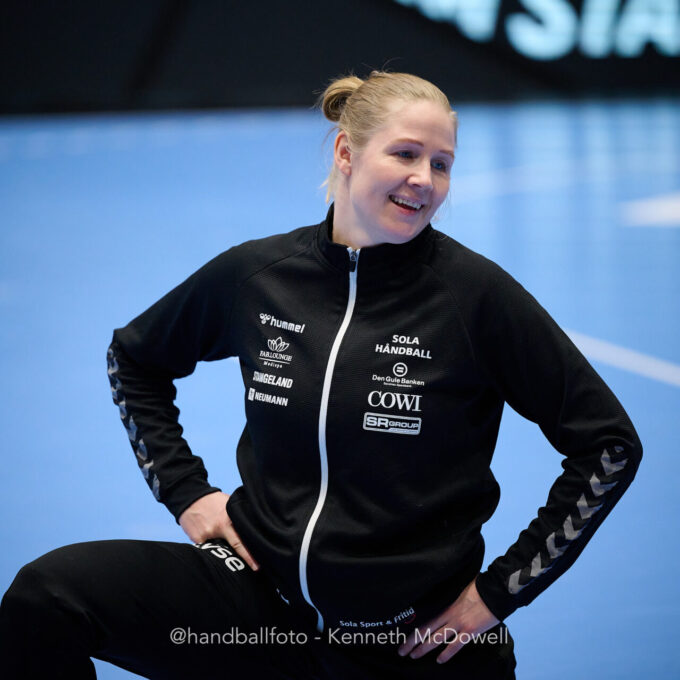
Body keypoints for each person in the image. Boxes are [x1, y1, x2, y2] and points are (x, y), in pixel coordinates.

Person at [0, 71, 642, 680]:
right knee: (48, 598)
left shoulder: (474, 298)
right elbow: (134, 358)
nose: (424, 179)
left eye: (442, 164)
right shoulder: (260, 277)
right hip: (257, 613)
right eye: (406, 154)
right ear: (346, 152)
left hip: (412, 644)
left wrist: (500, 592)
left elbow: (608, 445)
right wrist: (186, 491)